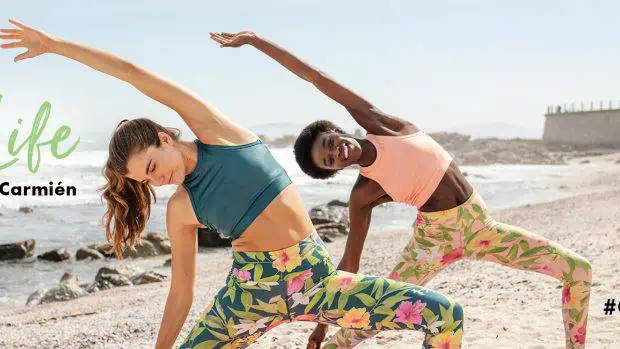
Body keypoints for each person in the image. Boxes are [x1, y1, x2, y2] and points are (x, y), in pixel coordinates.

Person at [0, 20, 465, 349]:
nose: (157, 180)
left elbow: (133, 75)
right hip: (248, 295)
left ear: (164, 137)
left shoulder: (218, 133)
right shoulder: (181, 207)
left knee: (445, 315)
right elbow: (182, 292)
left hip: (317, 280)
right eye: (146, 181)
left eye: (151, 165)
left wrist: (57, 45)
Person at [209, 31, 593, 349]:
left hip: (482, 228)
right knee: (373, 315)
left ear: (336, 130)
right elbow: (350, 264)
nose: (336, 152)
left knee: (578, 271)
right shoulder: (364, 193)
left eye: (330, 142)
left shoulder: (380, 123)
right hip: (431, 243)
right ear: (335, 170)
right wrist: (321, 326)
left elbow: (315, 77)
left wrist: (255, 41)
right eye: (330, 160)